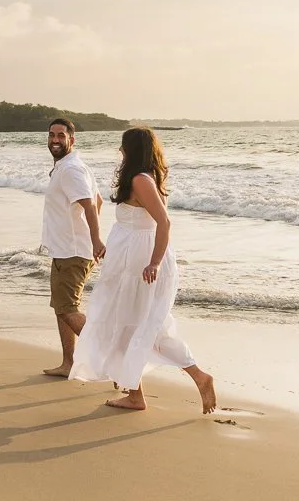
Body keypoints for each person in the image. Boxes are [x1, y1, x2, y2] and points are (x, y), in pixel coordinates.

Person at [71, 126, 217, 413]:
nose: (120, 151)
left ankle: (190, 378)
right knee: (136, 327)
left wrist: (155, 262)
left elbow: (163, 223)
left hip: (139, 265)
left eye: (123, 146)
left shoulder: (140, 180)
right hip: (130, 260)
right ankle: (140, 392)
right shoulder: (143, 178)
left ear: (131, 150)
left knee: (131, 326)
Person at [40, 117, 105, 377]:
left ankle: (112, 358)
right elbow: (99, 200)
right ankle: (69, 363)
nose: (55, 140)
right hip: (65, 249)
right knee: (62, 308)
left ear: (71, 140)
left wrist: (94, 239)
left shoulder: (71, 170)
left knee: (67, 308)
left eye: (61, 136)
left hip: (73, 251)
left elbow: (90, 205)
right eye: (52, 135)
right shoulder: (71, 167)